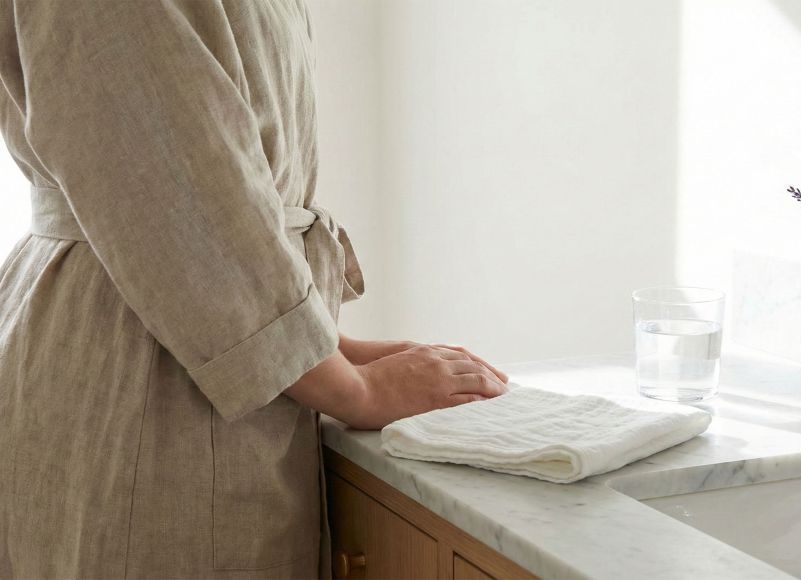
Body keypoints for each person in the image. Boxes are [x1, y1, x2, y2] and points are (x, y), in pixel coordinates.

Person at [0, 2, 507, 578]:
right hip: (140, 373)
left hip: (153, 335)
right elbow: (174, 186)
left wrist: (328, 349)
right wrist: (358, 389)